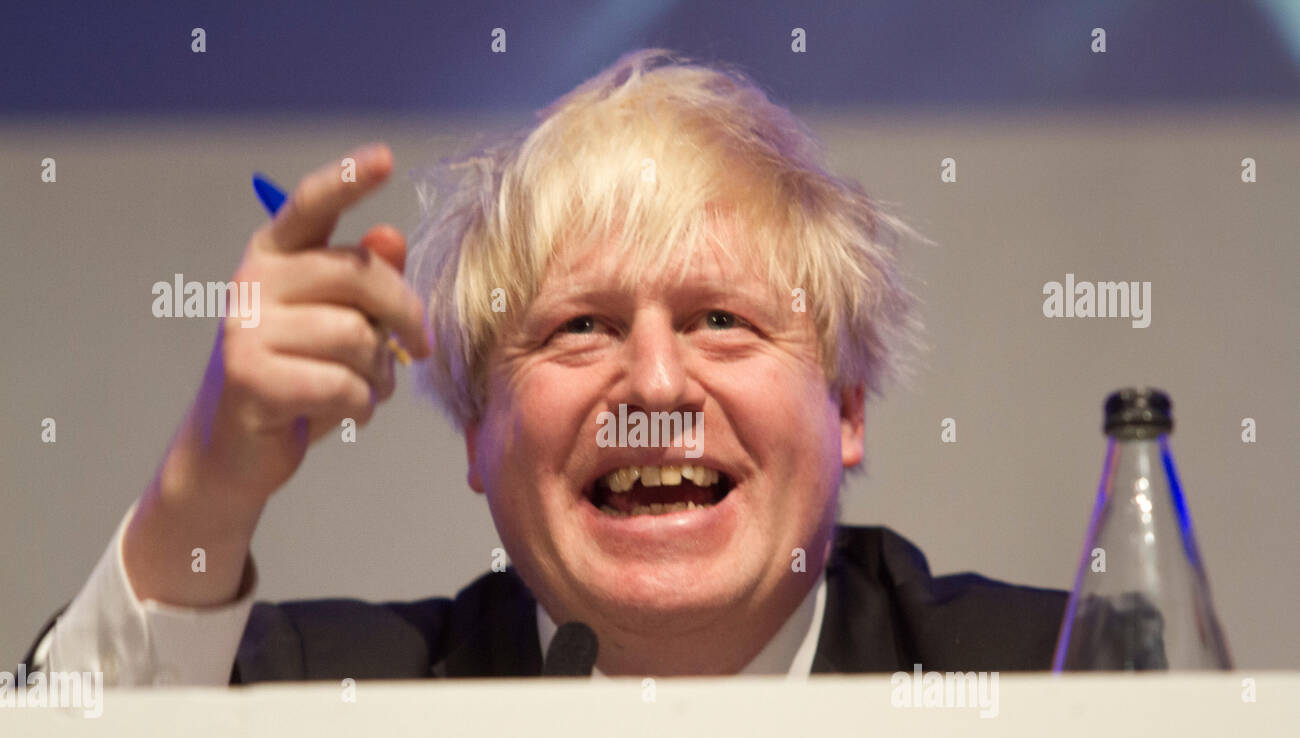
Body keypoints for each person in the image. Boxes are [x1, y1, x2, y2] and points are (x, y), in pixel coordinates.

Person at [23, 49, 1066, 683]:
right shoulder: (327, 696)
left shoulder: (1047, 673)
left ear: (844, 402)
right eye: (579, 328)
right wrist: (210, 479)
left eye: (718, 319)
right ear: (478, 426)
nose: (654, 389)